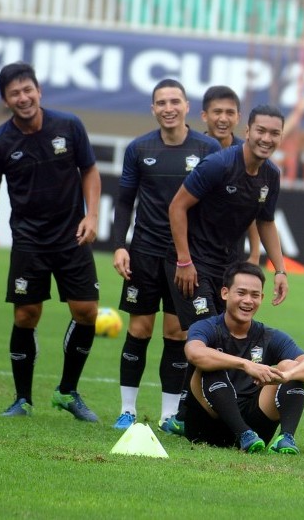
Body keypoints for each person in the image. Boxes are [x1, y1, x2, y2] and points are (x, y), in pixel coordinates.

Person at [0, 62, 101, 422]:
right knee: (27, 314)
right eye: (15, 93)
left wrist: (91, 215)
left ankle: (67, 391)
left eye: (28, 89)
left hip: (71, 236)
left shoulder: (69, 126)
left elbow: (89, 169)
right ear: (5, 100)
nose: (23, 97)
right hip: (29, 240)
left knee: (87, 310)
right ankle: (22, 400)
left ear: (39, 91)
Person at [167, 104, 292, 432]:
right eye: (261, 131)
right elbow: (177, 206)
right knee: (205, 339)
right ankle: (186, 416)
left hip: (227, 267)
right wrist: (183, 260)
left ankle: (193, 413)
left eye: (274, 133)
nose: (267, 138)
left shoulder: (270, 176)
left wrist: (279, 269)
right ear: (247, 132)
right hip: (191, 262)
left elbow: (265, 221)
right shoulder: (219, 164)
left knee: (221, 338)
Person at [110, 79, 221, 432]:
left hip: (184, 258)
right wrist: (119, 245)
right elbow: (124, 201)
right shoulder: (138, 148)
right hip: (143, 253)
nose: (168, 108)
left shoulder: (208, 148)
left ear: (187, 106)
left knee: (176, 334)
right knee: (139, 330)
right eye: (161, 103)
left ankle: (169, 415)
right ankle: (127, 410)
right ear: (153, 109)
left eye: (175, 101)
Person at [183, 261, 304, 453]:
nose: (248, 300)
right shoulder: (206, 327)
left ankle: (287, 438)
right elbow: (194, 353)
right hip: (208, 426)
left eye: (255, 295)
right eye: (241, 293)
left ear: (261, 298)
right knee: (208, 364)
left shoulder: (269, 335)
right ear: (225, 293)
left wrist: (286, 376)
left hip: (256, 430)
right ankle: (242, 433)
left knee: (290, 366)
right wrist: (245, 364)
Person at [200, 84, 261, 265]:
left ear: (238, 117)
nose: (223, 119)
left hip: (232, 255)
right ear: (204, 115)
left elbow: (250, 208)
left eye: (229, 113)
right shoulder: (193, 150)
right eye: (217, 112)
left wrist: (255, 254)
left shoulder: (247, 154)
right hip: (194, 253)